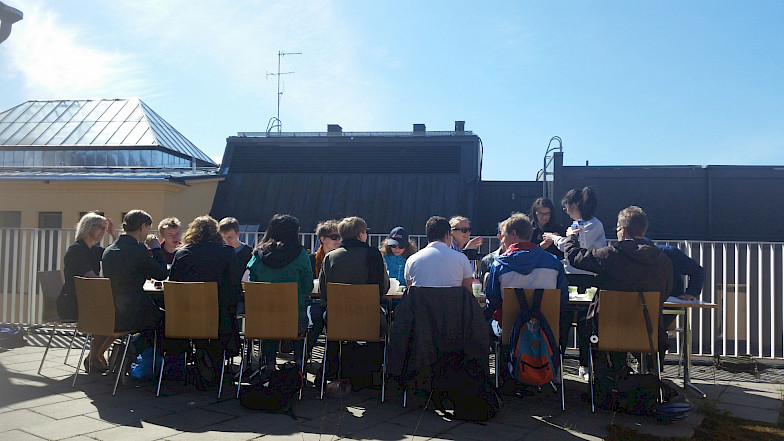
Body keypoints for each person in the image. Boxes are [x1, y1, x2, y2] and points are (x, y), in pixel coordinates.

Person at [564, 205, 673, 372]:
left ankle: (607, 378)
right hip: (647, 331)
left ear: (622, 230)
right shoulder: (662, 260)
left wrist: (571, 237)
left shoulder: (610, 255)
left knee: (586, 323)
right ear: (643, 232)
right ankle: (647, 376)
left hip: (608, 332)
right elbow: (666, 292)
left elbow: (575, 257)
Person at [484, 213, 569, 345]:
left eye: (503, 236)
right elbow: (562, 299)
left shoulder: (498, 264)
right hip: (546, 329)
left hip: (511, 331)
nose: (502, 241)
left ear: (513, 234)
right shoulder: (554, 262)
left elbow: (492, 302)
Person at [246, 214, 315, 370]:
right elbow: (307, 288)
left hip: (263, 319)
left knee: (270, 321)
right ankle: (298, 366)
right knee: (301, 321)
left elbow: (252, 284)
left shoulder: (258, 255)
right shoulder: (301, 255)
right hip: (293, 319)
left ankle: (269, 366)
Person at [169, 215, 243, 358]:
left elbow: (174, 285)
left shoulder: (182, 254)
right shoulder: (227, 252)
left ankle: (199, 353)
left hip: (188, 315)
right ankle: (213, 359)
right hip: (220, 316)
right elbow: (235, 285)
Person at [56, 212, 118, 372]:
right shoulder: (77, 250)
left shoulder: (93, 249)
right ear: (88, 227)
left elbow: (119, 252)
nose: (103, 232)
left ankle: (94, 356)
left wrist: (113, 233)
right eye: (100, 228)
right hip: (73, 303)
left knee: (120, 316)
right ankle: (95, 357)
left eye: (105, 229)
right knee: (114, 316)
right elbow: (90, 277)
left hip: (87, 301)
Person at [102, 210, 168, 336]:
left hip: (112, 310)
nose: (148, 232)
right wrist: (156, 248)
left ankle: (124, 351)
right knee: (166, 320)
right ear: (142, 226)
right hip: (134, 311)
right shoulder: (137, 249)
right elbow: (161, 274)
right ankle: (134, 351)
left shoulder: (109, 250)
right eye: (148, 228)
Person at [405, 216, 474, 290]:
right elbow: (468, 291)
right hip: (452, 301)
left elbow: (411, 289)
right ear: (448, 234)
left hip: (422, 301)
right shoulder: (462, 259)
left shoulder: (411, 260)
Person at [657, 244, 705, 331]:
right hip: (667, 301)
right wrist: (692, 292)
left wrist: (692, 292)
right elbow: (697, 271)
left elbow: (697, 271)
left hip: (667, 303)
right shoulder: (668, 252)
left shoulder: (669, 253)